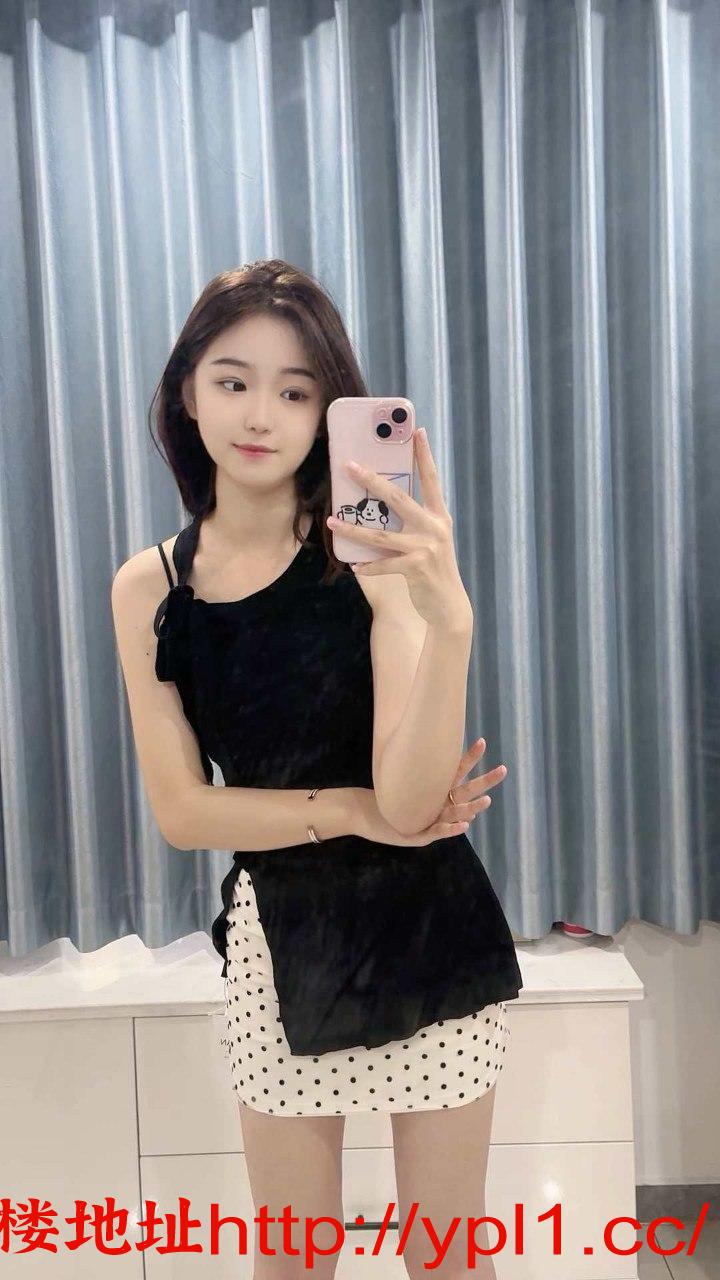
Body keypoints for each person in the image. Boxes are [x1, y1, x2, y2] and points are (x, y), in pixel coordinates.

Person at [111, 259, 523, 1279]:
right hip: (280, 939)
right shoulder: (150, 586)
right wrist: (347, 808)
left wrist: (450, 624)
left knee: (445, 1256)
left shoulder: (368, 554)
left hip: (428, 927)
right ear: (187, 391)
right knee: (295, 1259)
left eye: (296, 391)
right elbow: (182, 812)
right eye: (233, 380)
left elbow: (411, 804)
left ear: (328, 411)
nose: (261, 414)